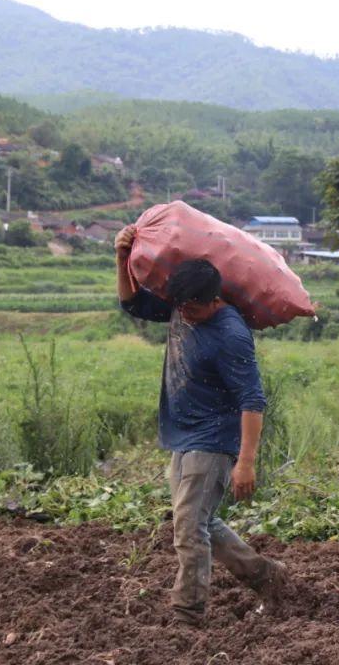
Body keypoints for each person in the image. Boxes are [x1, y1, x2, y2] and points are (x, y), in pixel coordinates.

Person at [115, 225, 286, 625]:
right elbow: (132, 304)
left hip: (213, 440)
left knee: (189, 532)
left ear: (211, 300)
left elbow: (252, 399)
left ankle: (187, 615)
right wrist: (121, 259)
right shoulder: (182, 307)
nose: (183, 314)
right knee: (199, 522)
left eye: (190, 308)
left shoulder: (230, 334)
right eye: (179, 307)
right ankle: (268, 577)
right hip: (183, 434)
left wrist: (246, 462)